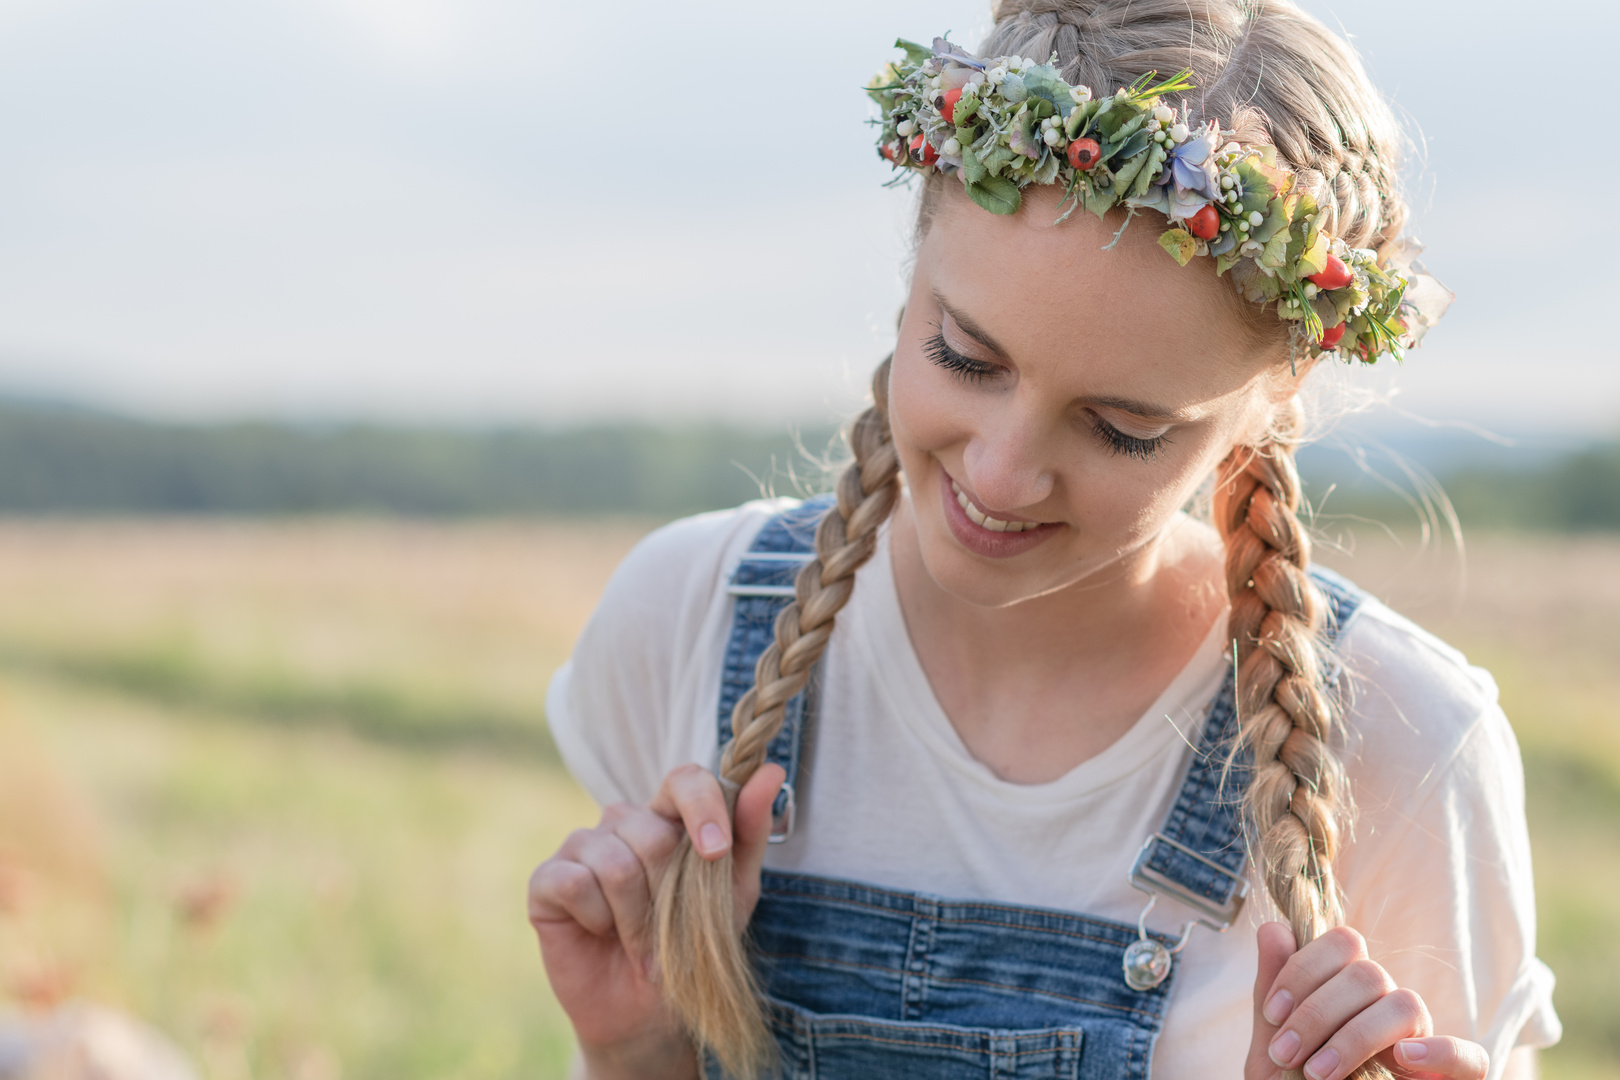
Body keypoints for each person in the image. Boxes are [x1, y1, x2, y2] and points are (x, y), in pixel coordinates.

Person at [528, 2, 1560, 1078]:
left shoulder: (1403, 753)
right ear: (915, 254)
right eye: (966, 358)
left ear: (1277, 392)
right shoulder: (687, 622)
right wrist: (636, 1045)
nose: (1000, 474)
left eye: (1123, 429)